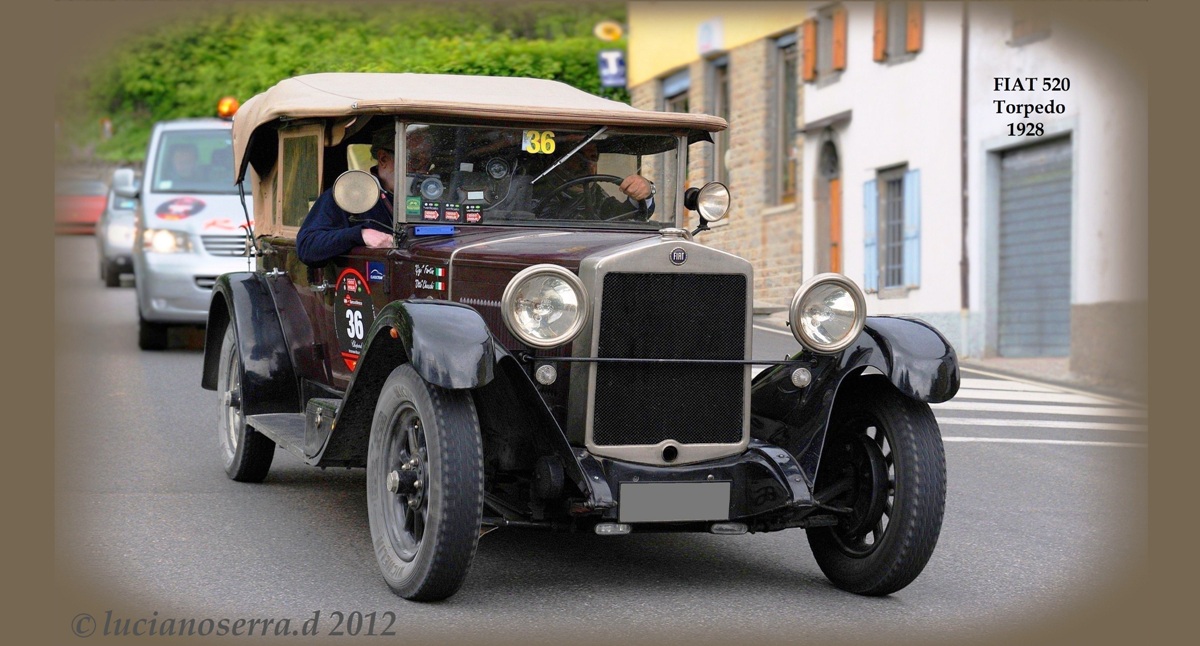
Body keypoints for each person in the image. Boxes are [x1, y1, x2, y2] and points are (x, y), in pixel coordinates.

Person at [296, 125, 402, 265]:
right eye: (414, 162)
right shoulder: (348, 194)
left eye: (427, 164)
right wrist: (361, 235)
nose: (423, 172)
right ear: (383, 159)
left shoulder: (434, 198)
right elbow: (307, 246)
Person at [535, 141, 655, 220]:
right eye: (576, 156)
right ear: (557, 160)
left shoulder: (594, 195)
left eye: (592, 157)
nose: (587, 165)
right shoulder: (530, 190)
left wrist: (644, 190)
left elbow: (623, 215)